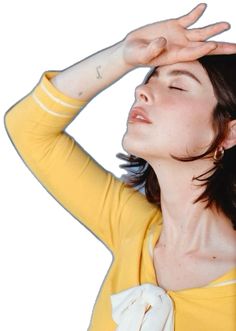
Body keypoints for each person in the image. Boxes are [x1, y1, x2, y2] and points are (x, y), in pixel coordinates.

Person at [4, 3, 236, 330]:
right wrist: (123, 56)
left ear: (229, 132)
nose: (142, 90)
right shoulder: (132, 227)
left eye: (177, 85)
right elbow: (28, 127)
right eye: (150, 78)